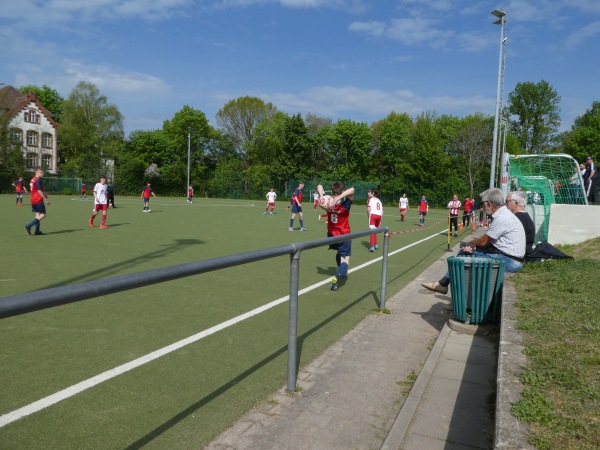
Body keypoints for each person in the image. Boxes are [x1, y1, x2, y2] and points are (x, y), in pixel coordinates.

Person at [422, 188, 526, 294]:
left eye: (482, 204)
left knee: (463, 256)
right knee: (467, 254)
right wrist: (474, 247)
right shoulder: (505, 215)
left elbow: (483, 242)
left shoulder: (502, 218)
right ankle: (448, 288)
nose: (481, 207)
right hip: (510, 257)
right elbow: (487, 242)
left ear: (489, 204)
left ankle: (448, 287)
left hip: (509, 260)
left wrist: (470, 244)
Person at [318, 182, 355, 291]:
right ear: (342, 192)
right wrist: (340, 197)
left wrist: (321, 197)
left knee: (339, 252)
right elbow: (352, 190)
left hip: (331, 235)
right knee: (345, 260)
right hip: (344, 235)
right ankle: (337, 277)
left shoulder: (327, 204)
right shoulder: (345, 205)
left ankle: (341, 273)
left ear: (331, 191)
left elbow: (320, 185)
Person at [506, 190, 535, 259]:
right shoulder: (524, 216)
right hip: (524, 252)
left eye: (507, 201)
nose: (505, 204)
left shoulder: (517, 218)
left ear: (516, 203)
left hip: (518, 255)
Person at [24, 167, 50, 236]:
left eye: (43, 172)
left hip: (33, 199)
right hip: (37, 199)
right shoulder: (37, 180)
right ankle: (29, 225)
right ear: (36, 172)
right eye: (41, 172)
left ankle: (37, 231)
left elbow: (39, 190)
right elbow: (39, 191)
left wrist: (45, 195)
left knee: (37, 215)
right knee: (43, 214)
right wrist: (46, 199)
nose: (42, 173)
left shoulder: (33, 179)